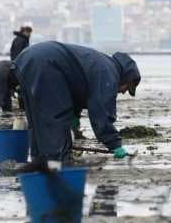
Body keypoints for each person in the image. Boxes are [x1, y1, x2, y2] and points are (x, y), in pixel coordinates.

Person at [13, 41, 141, 167]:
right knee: (56, 120)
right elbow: (101, 114)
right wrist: (115, 144)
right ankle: (58, 167)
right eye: (127, 88)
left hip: (27, 59)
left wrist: (74, 117)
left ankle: (38, 164)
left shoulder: (103, 64)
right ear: (126, 77)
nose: (124, 92)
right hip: (46, 65)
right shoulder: (109, 74)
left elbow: (75, 89)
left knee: (38, 119)